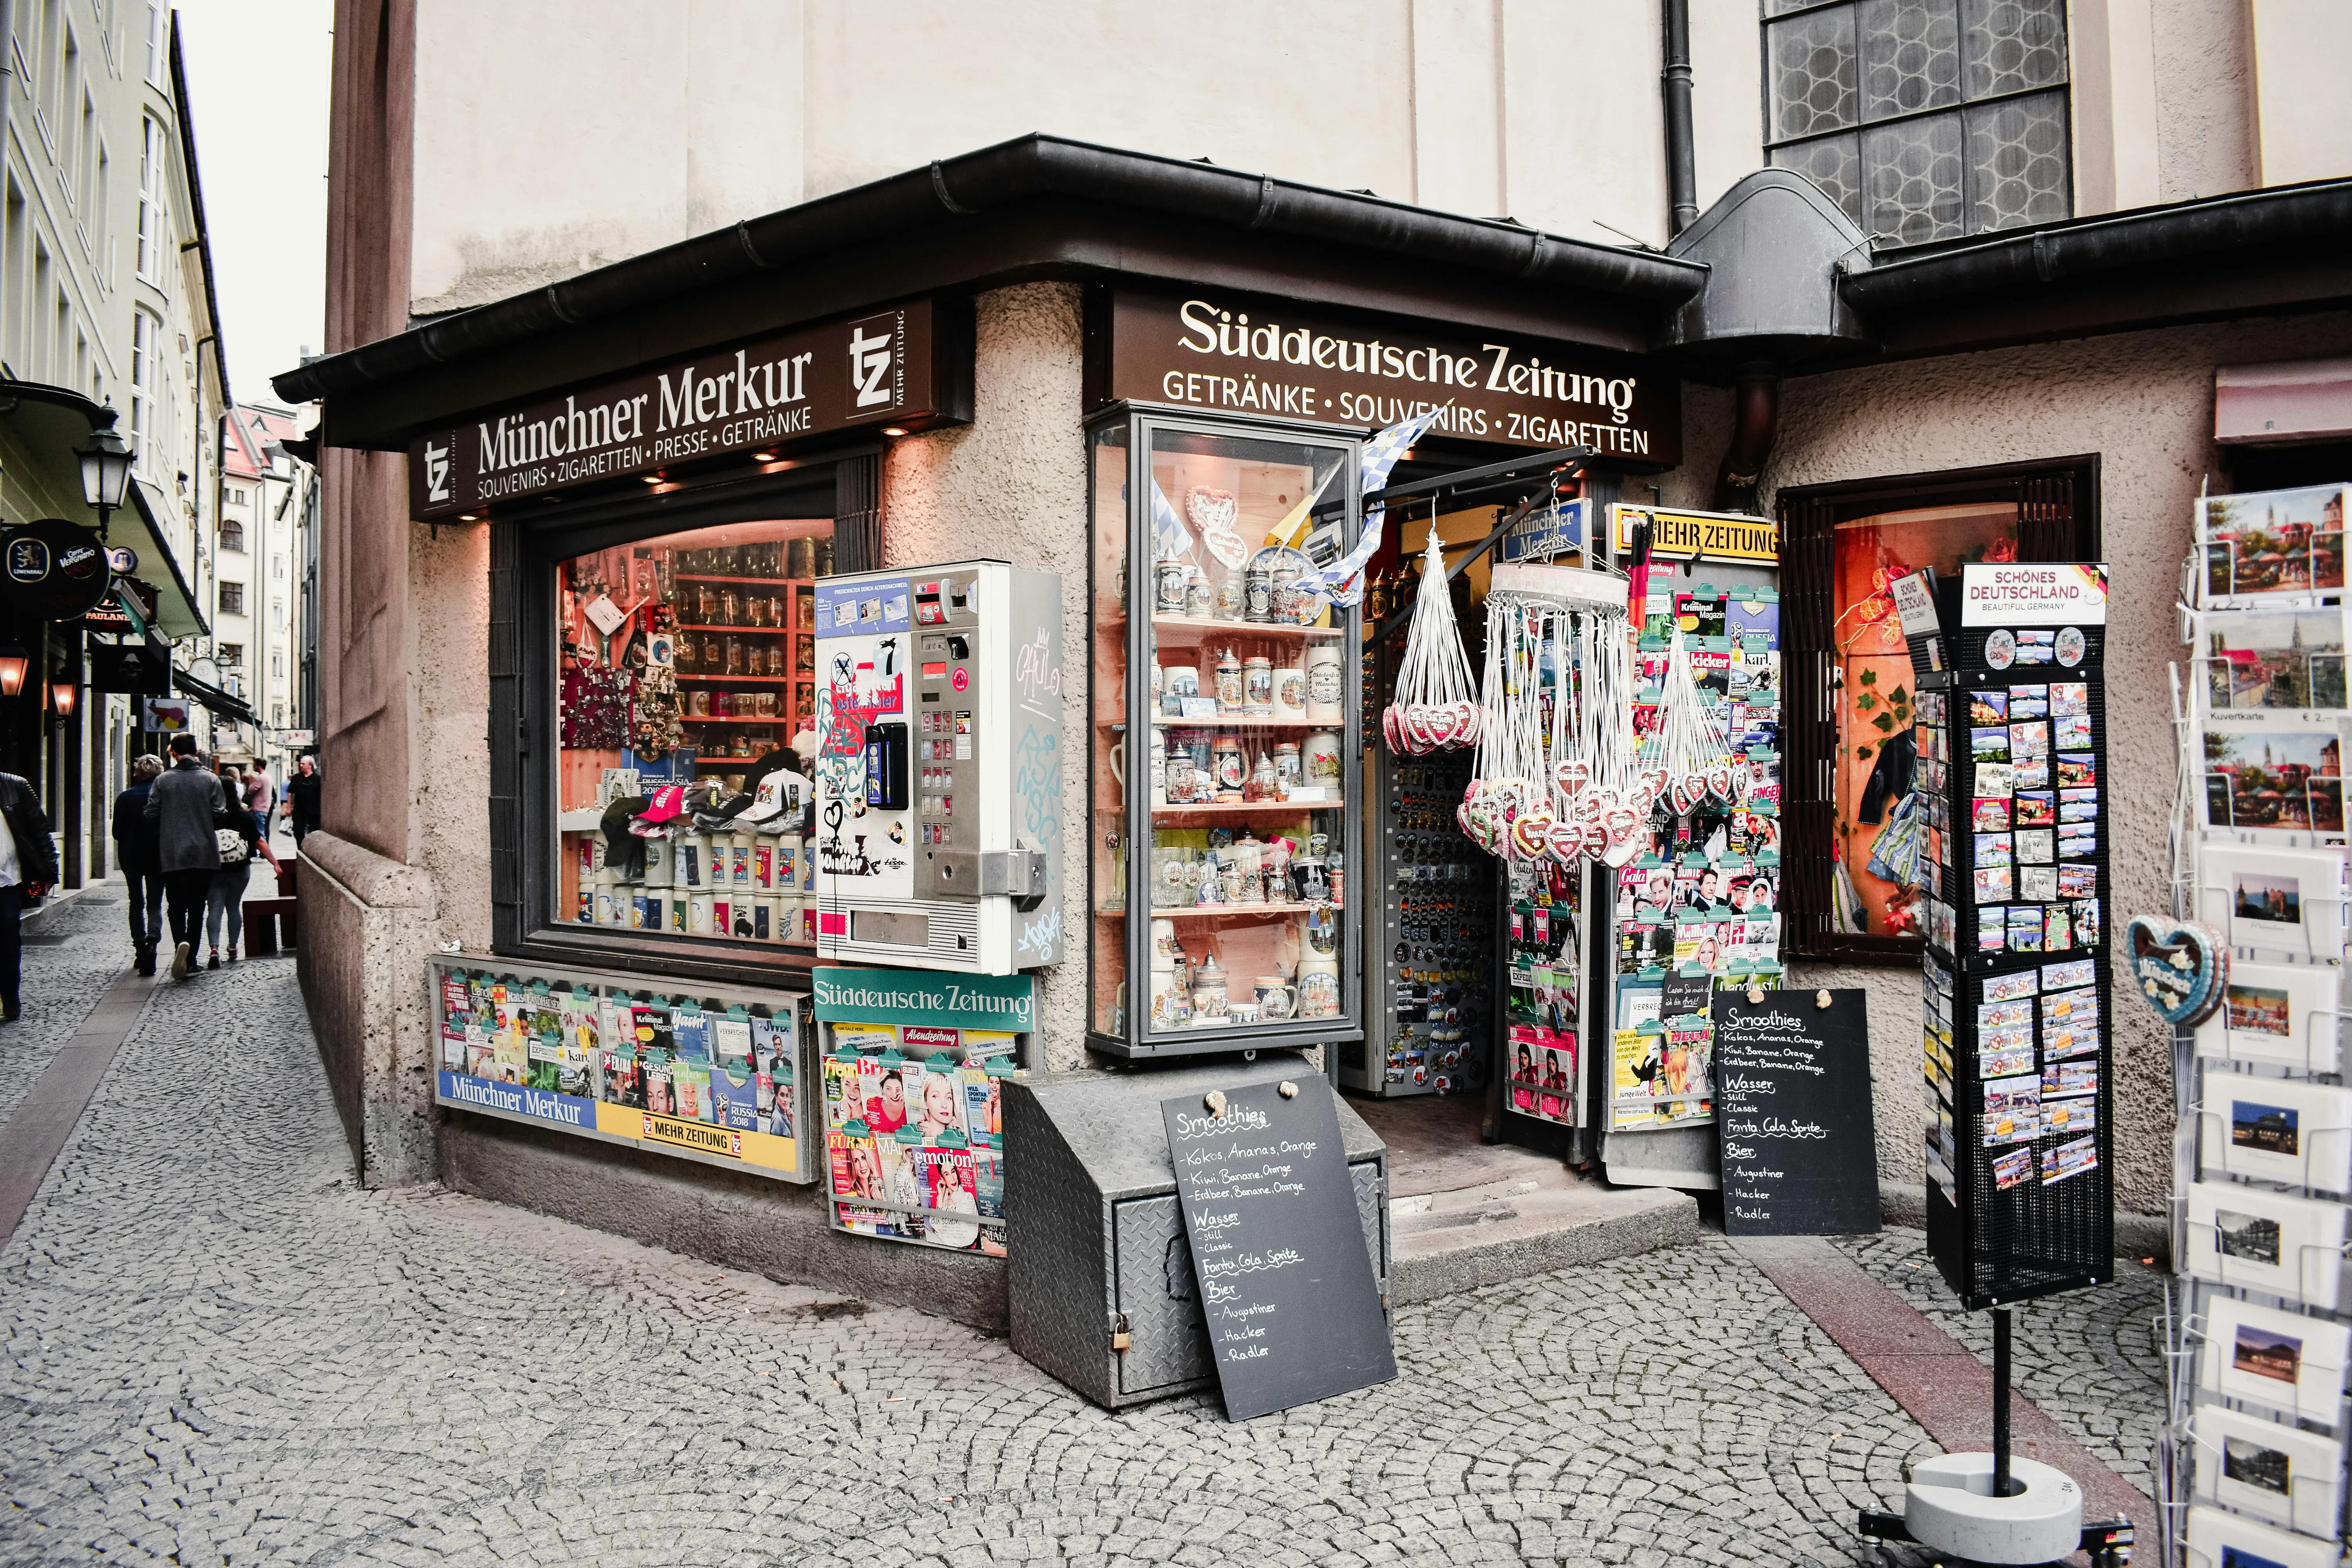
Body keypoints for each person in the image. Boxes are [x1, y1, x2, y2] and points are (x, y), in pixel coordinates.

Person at [147, 734, 227, 980]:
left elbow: (151, 812)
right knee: (196, 908)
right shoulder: (211, 780)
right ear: (195, 752)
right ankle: (191, 959)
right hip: (203, 853)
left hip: (173, 854)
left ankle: (180, 945)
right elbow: (220, 813)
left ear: (173, 753)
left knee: (176, 907)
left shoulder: (163, 781)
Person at [0, 769, 56, 1022]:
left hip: (8, 882)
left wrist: (47, 872)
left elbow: (39, 830)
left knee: (8, 941)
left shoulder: (14, 786)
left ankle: (11, 998)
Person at [204, 795, 283, 968]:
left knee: (215, 908)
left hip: (214, 869)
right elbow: (260, 841)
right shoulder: (243, 816)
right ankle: (233, 947)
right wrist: (275, 863)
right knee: (233, 907)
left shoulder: (207, 816)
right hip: (240, 869)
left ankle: (214, 950)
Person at [111, 755, 165, 975]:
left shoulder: (125, 797)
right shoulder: (163, 797)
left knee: (136, 902)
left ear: (137, 773)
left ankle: (140, 949)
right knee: (155, 904)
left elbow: (117, 833)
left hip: (131, 856)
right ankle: (153, 941)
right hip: (157, 857)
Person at [285, 755, 321, 849]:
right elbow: (290, 793)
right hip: (299, 810)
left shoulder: (318, 779)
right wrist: (289, 808)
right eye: (301, 763)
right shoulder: (296, 778)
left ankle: (313, 849)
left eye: (303, 764)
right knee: (298, 831)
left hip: (314, 810)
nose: (301, 765)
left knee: (315, 831)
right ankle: (301, 848)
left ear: (310, 765)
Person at [244, 762, 274, 844]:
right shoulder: (269, 777)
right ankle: (264, 850)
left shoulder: (260, 778)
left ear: (259, 766)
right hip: (266, 807)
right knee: (264, 829)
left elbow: (251, 790)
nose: (254, 767)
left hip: (259, 807)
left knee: (260, 832)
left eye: (255, 765)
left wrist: (251, 783)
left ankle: (264, 852)